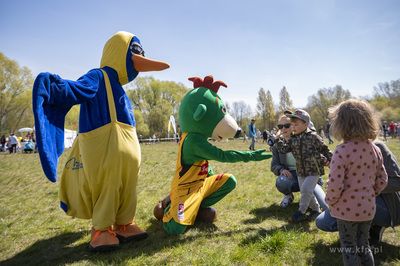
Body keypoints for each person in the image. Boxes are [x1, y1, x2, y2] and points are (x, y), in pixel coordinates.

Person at [324, 99, 388, 266]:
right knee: (364, 244)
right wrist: (371, 193)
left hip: (345, 210)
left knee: (349, 246)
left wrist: (330, 200)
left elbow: (335, 183)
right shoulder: (375, 149)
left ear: (341, 124)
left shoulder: (341, 150)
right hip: (367, 208)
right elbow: (383, 179)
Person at [316, 139, 400, 244]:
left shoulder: (377, 147)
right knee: (323, 222)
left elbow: (397, 182)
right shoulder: (344, 149)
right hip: (358, 199)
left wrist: (363, 187)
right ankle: (362, 230)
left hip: (387, 208)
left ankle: (373, 227)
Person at [275, 109, 333, 223]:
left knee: (306, 189)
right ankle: (316, 210)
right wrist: (277, 140)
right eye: (292, 125)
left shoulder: (313, 136)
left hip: (313, 171)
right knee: (305, 191)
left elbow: (325, 149)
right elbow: (283, 149)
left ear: (305, 124)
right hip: (301, 171)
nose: (293, 127)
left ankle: (301, 212)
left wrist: (333, 161)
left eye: (296, 124)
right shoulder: (293, 139)